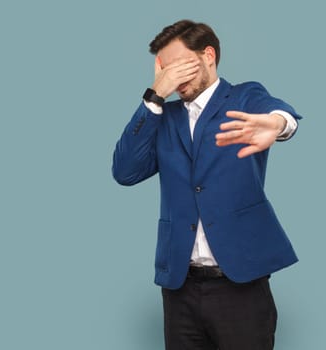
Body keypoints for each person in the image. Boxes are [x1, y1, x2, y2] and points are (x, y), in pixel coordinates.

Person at [112, 19, 302, 350]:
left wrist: (278, 124)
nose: (170, 77)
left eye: (177, 66)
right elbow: (125, 171)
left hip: (240, 283)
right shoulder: (163, 117)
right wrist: (154, 95)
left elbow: (278, 113)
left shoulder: (244, 97)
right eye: (163, 70)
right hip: (179, 288)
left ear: (208, 56)